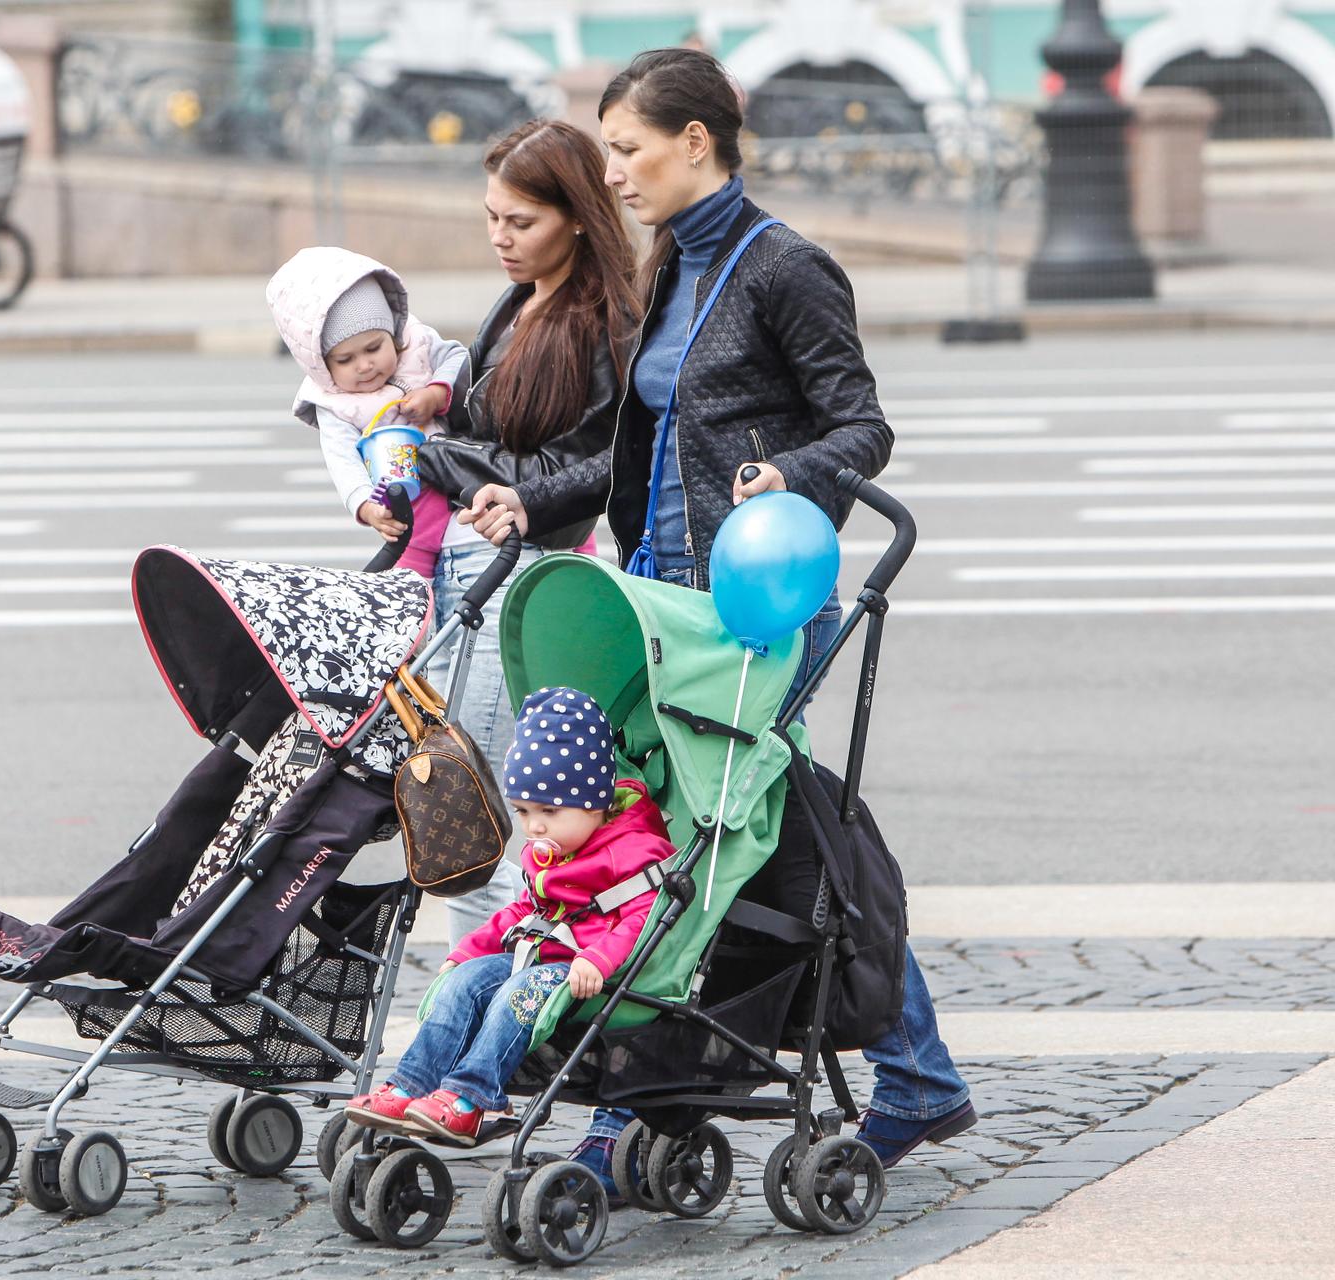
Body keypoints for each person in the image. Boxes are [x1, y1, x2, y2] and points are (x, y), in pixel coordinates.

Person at [459, 47, 975, 1194]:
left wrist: (789, 471)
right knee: (770, 827)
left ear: (698, 142)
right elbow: (631, 457)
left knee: (682, 826)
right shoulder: (670, 267)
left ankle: (617, 1111)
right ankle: (914, 1074)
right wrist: (531, 499)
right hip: (660, 596)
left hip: (753, 602)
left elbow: (863, 425)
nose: (618, 174)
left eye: (631, 150)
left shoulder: (784, 265)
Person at [414, 118, 638, 942]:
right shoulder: (521, 301)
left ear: (577, 214)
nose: (500, 239)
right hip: (471, 563)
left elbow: (586, 473)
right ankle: (483, 1006)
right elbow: (488, 434)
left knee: (488, 819)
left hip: (521, 571)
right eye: (491, 217)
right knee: (466, 805)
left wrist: (445, 461)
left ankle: (489, 1011)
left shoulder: (604, 320)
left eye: (521, 222)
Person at [345, 688, 672, 1144]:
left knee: (515, 991)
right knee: (461, 984)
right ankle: (411, 1084)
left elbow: (641, 915)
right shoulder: (555, 849)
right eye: (523, 811)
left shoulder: (631, 852)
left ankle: (472, 1098)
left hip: (579, 969)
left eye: (550, 812)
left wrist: (597, 959)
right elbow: (524, 908)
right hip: (535, 953)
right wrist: (468, 951)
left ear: (596, 804)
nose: (535, 826)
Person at [266, 246, 469, 578]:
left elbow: (459, 359)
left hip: (463, 483)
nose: (364, 365)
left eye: (375, 347)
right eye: (345, 360)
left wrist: (434, 394)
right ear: (322, 366)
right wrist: (366, 506)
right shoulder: (335, 404)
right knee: (412, 589)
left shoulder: (417, 344)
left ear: (392, 333)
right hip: (408, 509)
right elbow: (343, 462)